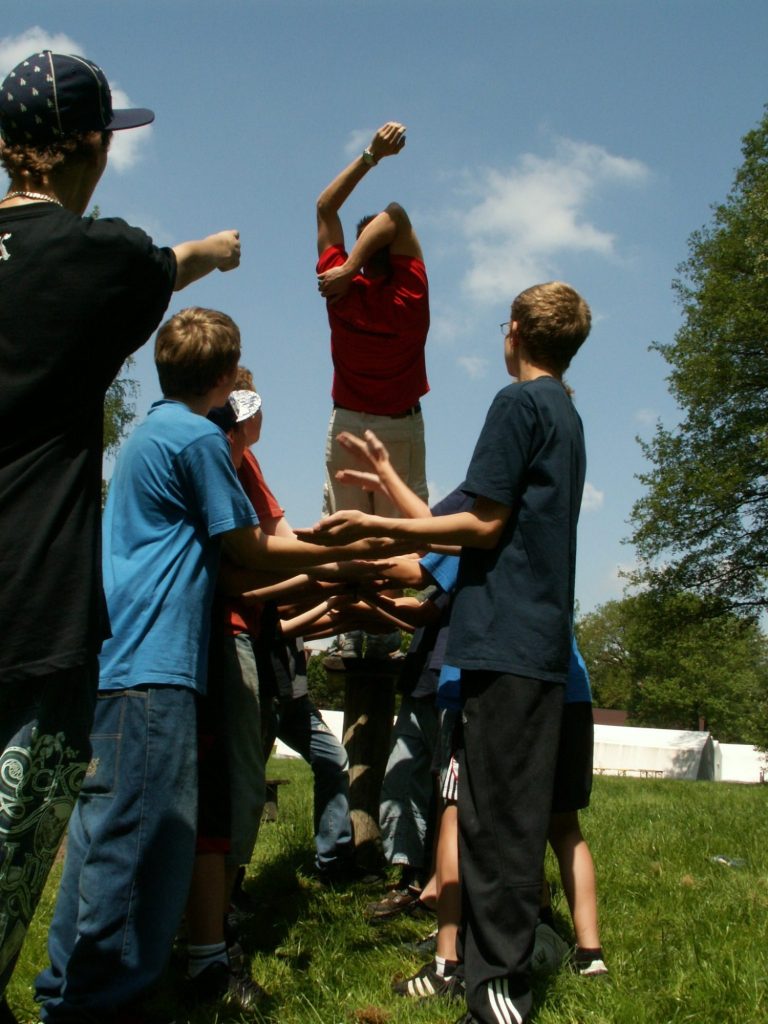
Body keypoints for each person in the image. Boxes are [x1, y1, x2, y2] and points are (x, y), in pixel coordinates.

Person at [34, 308, 398, 1024]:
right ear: (229, 378)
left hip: (118, 659)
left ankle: (64, 988)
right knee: (143, 841)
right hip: (159, 665)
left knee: (100, 835)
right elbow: (251, 551)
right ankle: (100, 1004)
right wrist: (347, 553)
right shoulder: (201, 438)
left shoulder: (150, 432)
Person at [0, 49, 240, 1020]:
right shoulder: (98, 260)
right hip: (36, 613)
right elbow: (159, 267)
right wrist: (215, 252)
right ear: (91, 148)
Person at [298, 280, 592, 1024]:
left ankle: (497, 994)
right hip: (533, 643)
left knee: (495, 824)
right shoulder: (564, 411)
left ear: (517, 331)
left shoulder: (518, 404)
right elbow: (474, 516)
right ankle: (496, 981)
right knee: (502, 817)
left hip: (505, 643)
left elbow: (481, 524)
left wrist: (377, 529)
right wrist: (391, 500)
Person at [316, 120, 430, 658]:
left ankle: (346, 630)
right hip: (397, 429)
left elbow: (324, 208)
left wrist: (369, 155)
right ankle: (386, 635)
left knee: (346, 534)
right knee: (396, 535)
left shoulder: (338, 292)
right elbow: (397, 215)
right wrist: (361, 261)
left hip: (347, 423)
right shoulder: (411, 294)